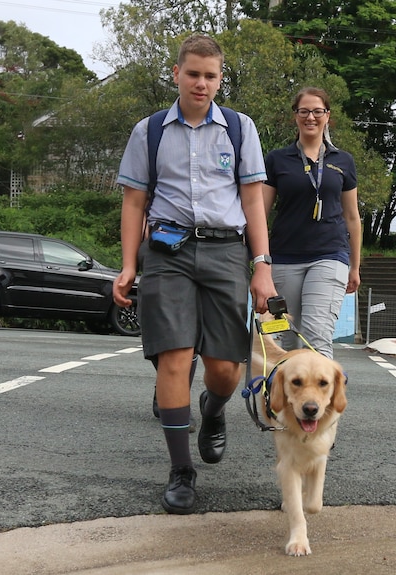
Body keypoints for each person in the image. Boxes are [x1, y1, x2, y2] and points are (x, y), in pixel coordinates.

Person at [112, 34, 276, 515]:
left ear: (220, 78)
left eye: (210, 75)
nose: (201, 83)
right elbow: (134, 202)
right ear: (177, 74)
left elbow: (252, 201)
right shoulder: (151, 131)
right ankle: (181, 471)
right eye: (193, 74)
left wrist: (261, 266)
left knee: (225, 369)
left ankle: (214, 408)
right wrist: (128, 265)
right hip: (168, 250)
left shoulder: (240, 130)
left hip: (227, 252)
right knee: (175, 358)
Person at [262, 87, 362, 359]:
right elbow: (260, 211)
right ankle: (283, 402)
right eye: (304, 111)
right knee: (286, 338)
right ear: (295, 116)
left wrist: (355, 266)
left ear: (327, 116)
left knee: (316, 337)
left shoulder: (343, 161)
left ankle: (320, 402)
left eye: (318, 111)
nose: (311, 117)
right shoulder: (277, 159)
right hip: (284, 257)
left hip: (330, 255)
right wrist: (259, 261)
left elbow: (352, 217)